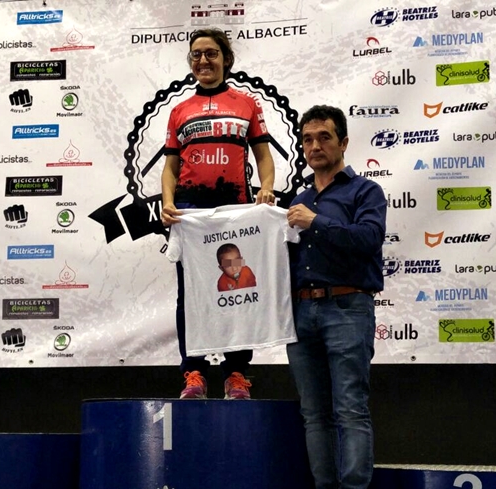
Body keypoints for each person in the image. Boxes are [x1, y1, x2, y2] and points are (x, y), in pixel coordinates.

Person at [160, 27, 276, 400]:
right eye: (196, 54)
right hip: (191, 212)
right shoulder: (179, 111)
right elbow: (170, 167)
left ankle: (236, 373)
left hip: (235, 209)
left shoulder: (247, 104)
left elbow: (263, 156)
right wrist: (167, 201)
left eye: (211, 53)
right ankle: (193, 373)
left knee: (238, 289)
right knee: (192, 294)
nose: (203, 60)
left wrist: (266, 187)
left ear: (226, 59)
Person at [286, 105, 386, 489]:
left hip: (347, 306)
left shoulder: (366, 191)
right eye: (307, 139)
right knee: (314, 415)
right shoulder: (298, 200)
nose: (315, 146)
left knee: (350, 409)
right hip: (301, 311)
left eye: (324, 137)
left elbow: (369, 239)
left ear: (343, 142)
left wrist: (316, 222)